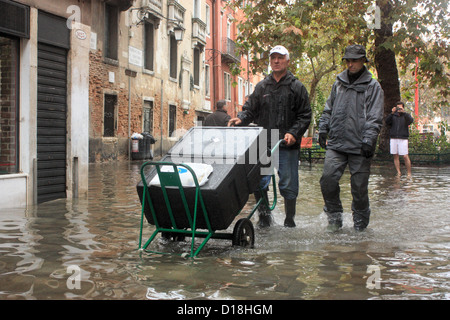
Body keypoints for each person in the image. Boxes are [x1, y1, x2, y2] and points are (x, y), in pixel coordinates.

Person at [228, 45, 311, 228]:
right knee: (257, 181)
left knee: (288, 185)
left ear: (287, 61)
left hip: (286, 143)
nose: (276, 61)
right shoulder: (261, 86)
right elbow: (249, 110)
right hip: (262, 142)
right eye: (273, 57)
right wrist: (240, 119)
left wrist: (294, 133)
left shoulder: (297, 87)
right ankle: (264, 218)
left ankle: (290, 220)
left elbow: (305, 115)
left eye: (280, 58)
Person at [318, 44, 384, 232]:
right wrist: (323, 129)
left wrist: (369, 140)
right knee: (327, 180)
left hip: (360, 146)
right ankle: (335, 219)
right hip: (337, 144)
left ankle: (360, 226)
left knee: (359, 188)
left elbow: (375, 116)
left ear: (363, 61)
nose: (350, 64)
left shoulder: (373, 86)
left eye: (354, 60)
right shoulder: (338, 84)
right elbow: (328, 109)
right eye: (348, 60)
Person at [385, 101, 414, 177]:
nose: (399, 109)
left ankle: (409, 173)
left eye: (400, 108)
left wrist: (404, 113)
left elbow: (411, 121)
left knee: (405, 155)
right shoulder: (393, 116)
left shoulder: (405, 116)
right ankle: (398, 172)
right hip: (394, 137)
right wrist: (392, 113)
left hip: (403, 138)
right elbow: (387, 121)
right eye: (398, 107)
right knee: (395, 155)